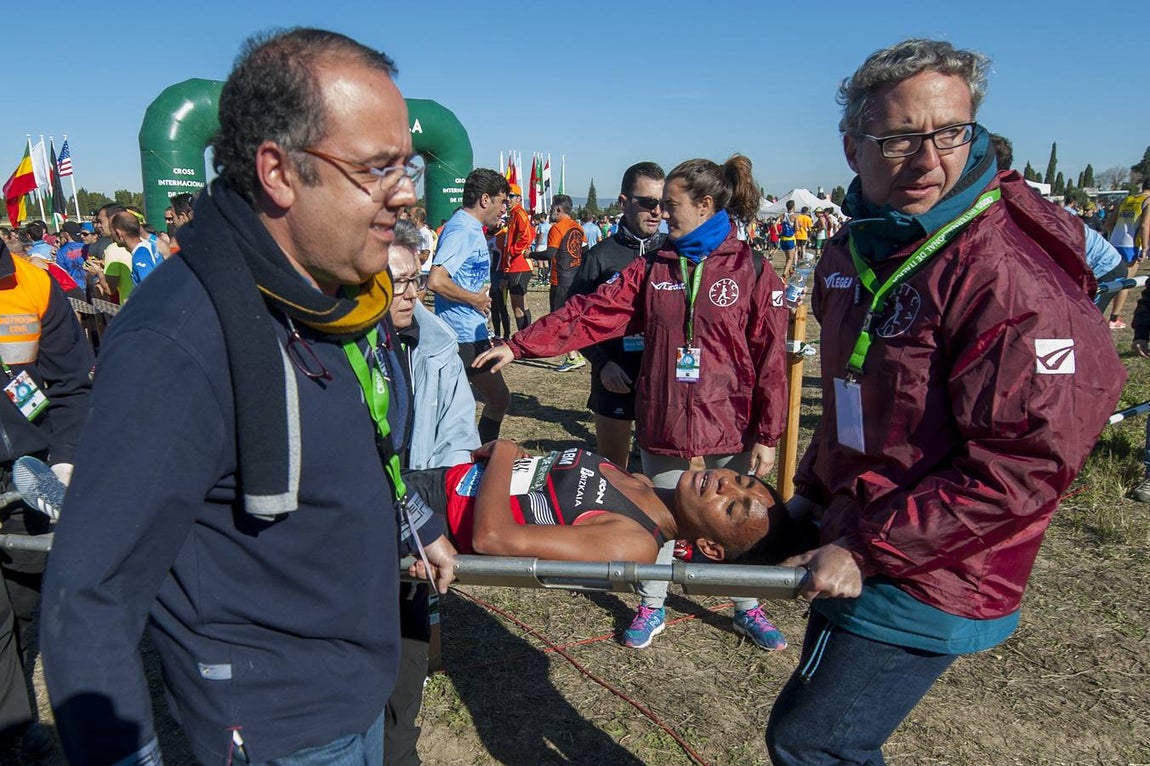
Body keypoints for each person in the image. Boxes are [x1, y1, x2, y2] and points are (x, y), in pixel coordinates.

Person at [39, 28, 456, 765]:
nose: (407, 192)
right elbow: (89, 596)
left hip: (359, 684)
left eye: (408, 166)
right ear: (278, 171)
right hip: (277, 730)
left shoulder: (340, 297)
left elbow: (358, 446)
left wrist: (412, 521)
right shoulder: (180, 337)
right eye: (377, 168)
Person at [764, 39, 1125, 765]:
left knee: (813, 745)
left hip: (936, 563)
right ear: (852, 148)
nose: (929, 160)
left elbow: (1025, 463)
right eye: (900, 139)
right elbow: (858, 400)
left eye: (951, 132)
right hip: (859, 526)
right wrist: (815, 492)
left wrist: (867, 547)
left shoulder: (1008, 275)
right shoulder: (856, 247)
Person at [474, 155, 790, 651]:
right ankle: (651, 603)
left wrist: (768, 433)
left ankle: (748, 605)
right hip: (665, 412)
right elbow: (592, 312)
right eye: (658, 204)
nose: (662, 213)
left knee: (732, 521)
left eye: (671, 204)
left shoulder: (750, 267)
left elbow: (770, 355)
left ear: (705, 205)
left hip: (731, 415)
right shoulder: (655, 265)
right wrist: (519, 345)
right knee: (658, 514)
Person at [385, 221, 480, 766]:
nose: (411, 294)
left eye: (415, 281)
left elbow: (459, 435)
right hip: (364, 531)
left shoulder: (438, 345)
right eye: (397, 283)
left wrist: (430, 519)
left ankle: (400, 752)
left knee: (407, 661)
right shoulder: (336, 351)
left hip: (417, 519)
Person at [403, 440, 803, 567]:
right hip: (435, 479)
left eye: (731, 507)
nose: (724, 484)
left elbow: (492, 538)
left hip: (431, 519)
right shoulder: (642, 483)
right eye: (740, 480)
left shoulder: (634, 543)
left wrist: (505, 453)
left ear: (711, 548)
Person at [0, 227, 92, 760]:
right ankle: (11, 725)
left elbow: (71, 383)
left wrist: (66, 458)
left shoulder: (32, 285)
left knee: (21, 599)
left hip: (30, 471)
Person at [568, 161, 666, 469]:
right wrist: (602, 363)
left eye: (663, 203)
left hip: (663, 380)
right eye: (647, 202)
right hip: (614, 376)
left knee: (663, 479)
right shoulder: (600, 256)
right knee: (614, 473)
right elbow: (575, 319)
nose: (657, 211)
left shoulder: (672, 253)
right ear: (624, 202)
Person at [429, 168, 512, 444]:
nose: (504, 209)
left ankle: (473, 456)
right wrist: (474, 299)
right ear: (485, 199)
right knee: (498, 398)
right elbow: (436, 280)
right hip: (461, 335)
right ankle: (481, 458)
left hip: (470, 331)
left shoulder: (471, 228)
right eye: (502, 202)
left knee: (468, 405)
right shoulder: (462, 229)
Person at [544, 194, 587, 372]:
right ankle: (577, 353)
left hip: (560, 280)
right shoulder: (578, 227)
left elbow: (549, 254)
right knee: (572, 317)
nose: (550, 212)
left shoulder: (557, 228)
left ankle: (572, 357)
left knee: (559, 319)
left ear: (559, 209)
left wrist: (528, 254)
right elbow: (585, 251)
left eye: (551, 208)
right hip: (575, 279)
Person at [1105, 178, 1150, 328]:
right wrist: (1145, 247)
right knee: (1125, 283)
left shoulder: (1126, 199)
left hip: (1114, 242)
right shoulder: (1148, 201)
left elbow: (1108, 224)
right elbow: (1144, 225)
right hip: (1131, 245)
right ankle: (1114, 318)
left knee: (1110, 280)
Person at [502, 184, 535, 330]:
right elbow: (532, 233)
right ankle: (527, 336)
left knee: (518, 306)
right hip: (515, 265)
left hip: (519, 265)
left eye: (511, 196)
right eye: (506, 197)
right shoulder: (514, 214)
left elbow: (526, 235)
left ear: (519, 198)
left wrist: (512, 251)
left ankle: (523, 337)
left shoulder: (519, 213)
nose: (508, 199)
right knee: (521, 304)